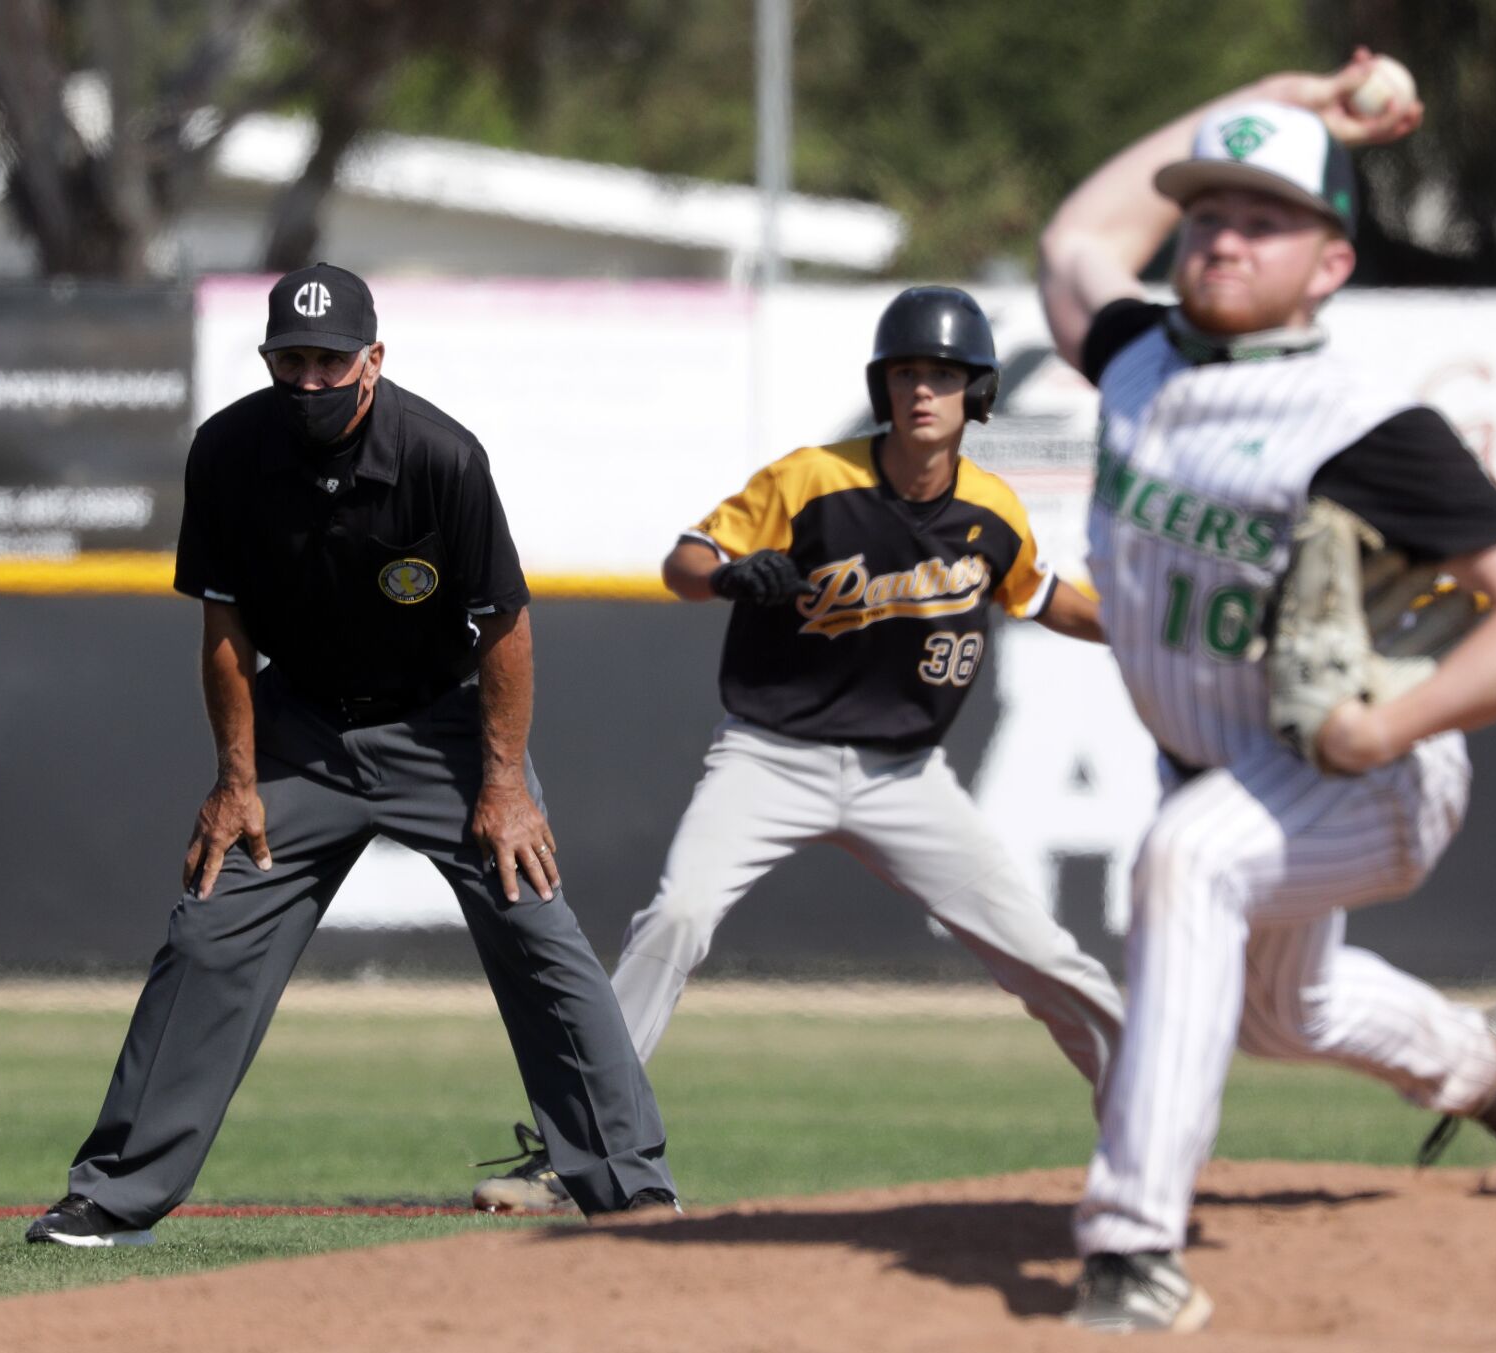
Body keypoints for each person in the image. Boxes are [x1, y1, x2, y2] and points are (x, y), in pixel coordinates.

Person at [1035, 53, 1496, 1332]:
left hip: (1365, 775)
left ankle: (1131, 1250)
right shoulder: (1134, 359)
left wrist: (1388, 725)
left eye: (1263, 219)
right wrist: (1283, 102)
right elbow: (1079, 234)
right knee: (1281, 1015)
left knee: (1188, 860)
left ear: (1331, 265)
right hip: (1226, 767)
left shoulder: (1364, 425)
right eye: (1207, 214)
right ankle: (1493, 1063)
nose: (1221, 236)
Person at [27, 264, 677, 1246]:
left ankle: (627, 1185)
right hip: (301, 730)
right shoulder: (228, 451)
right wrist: (235, 781)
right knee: (208, 930)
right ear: (267, 360)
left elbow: (502, 623)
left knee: (537, 931)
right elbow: (224, 624)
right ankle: (111, 1195)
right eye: (292, 358)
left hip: (443, 724)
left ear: (372, 359)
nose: (311, 377)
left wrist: (503, 782)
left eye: (331, 359)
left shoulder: (440, 457)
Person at [472, 286, 1127, 1213]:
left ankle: (1152, 1134)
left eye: (942, 374)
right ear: (883, 384)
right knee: (678, 918)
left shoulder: (991, 507)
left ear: (978, 392)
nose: (923, 391)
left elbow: (1044, 591)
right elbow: (684, 561)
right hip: (772, 757)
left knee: (1045, 955)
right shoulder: (813, 478)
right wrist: (734, 572)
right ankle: (571, 1152)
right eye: (907, 372)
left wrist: (1146, 628)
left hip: (905, 776)